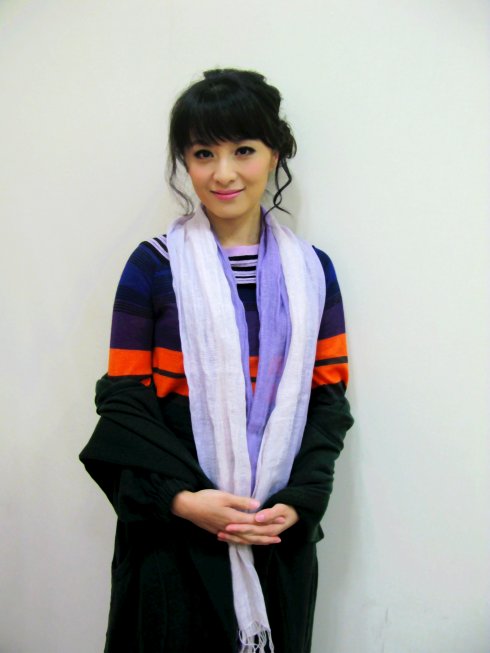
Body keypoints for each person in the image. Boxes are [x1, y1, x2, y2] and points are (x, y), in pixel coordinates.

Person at [80, 68, 354, 653]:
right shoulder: (154, 267)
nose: (223, 173)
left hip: (275, 539)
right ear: (185, 161)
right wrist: (181, 502)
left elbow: (328, 401)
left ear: (274, 154)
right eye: (204, 153)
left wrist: (298, 503)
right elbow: (125, 406)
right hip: (172, 541)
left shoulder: (314, 273)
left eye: (244, 150)